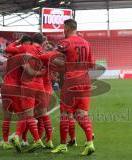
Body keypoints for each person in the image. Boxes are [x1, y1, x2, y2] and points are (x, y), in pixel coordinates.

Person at [51, 19, 95, 156]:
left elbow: (52, 57)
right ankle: (89, 143)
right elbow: (92, 64)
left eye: (63, 28)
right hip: (85, 80)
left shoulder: (65, 42)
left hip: (71, 81)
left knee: (65, 114)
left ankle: (63, 145)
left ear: (67, 28)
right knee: (82, 113)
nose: (63, 30)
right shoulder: (87, 43)